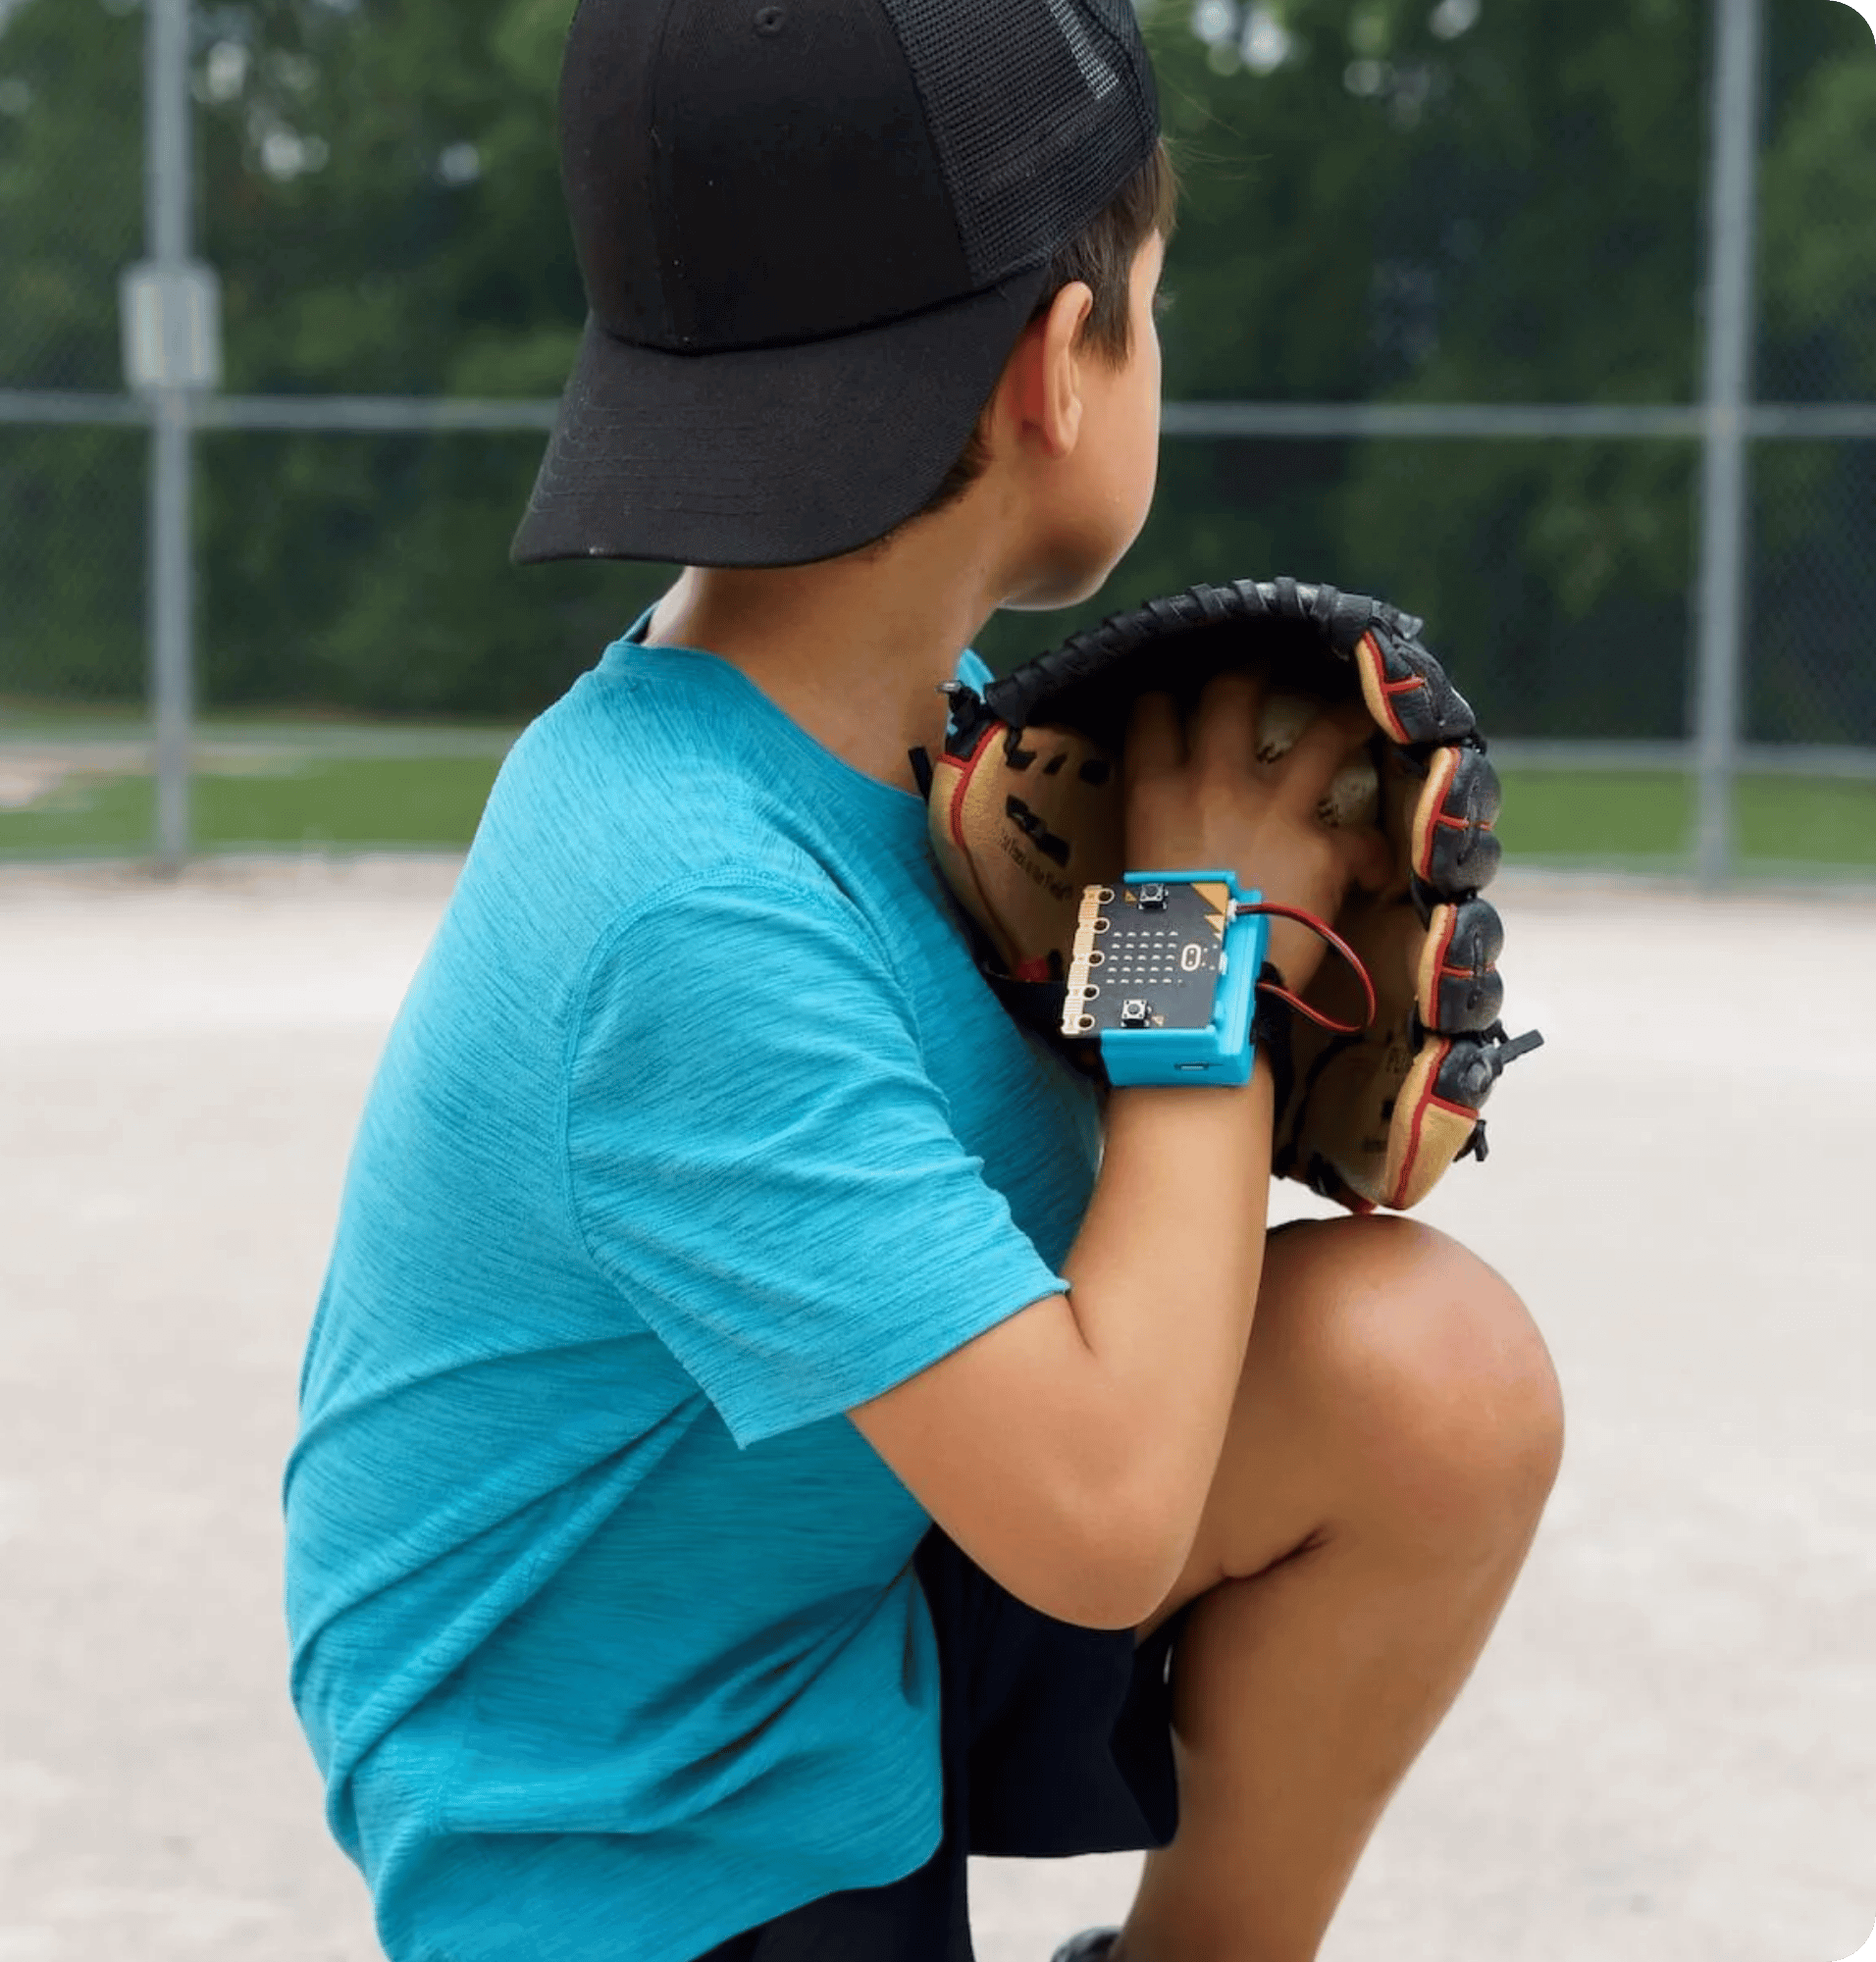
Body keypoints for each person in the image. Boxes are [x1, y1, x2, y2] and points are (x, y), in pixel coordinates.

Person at [281, 3, 1565, 1959]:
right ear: (1060, 365)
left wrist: (1194, 973)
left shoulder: (933, 749)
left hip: (824, 1588)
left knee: (1426, 1378)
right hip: (620, 1832)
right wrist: (1193, 940)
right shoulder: (685, 900)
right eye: (1150, 297)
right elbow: (1102, 1511)